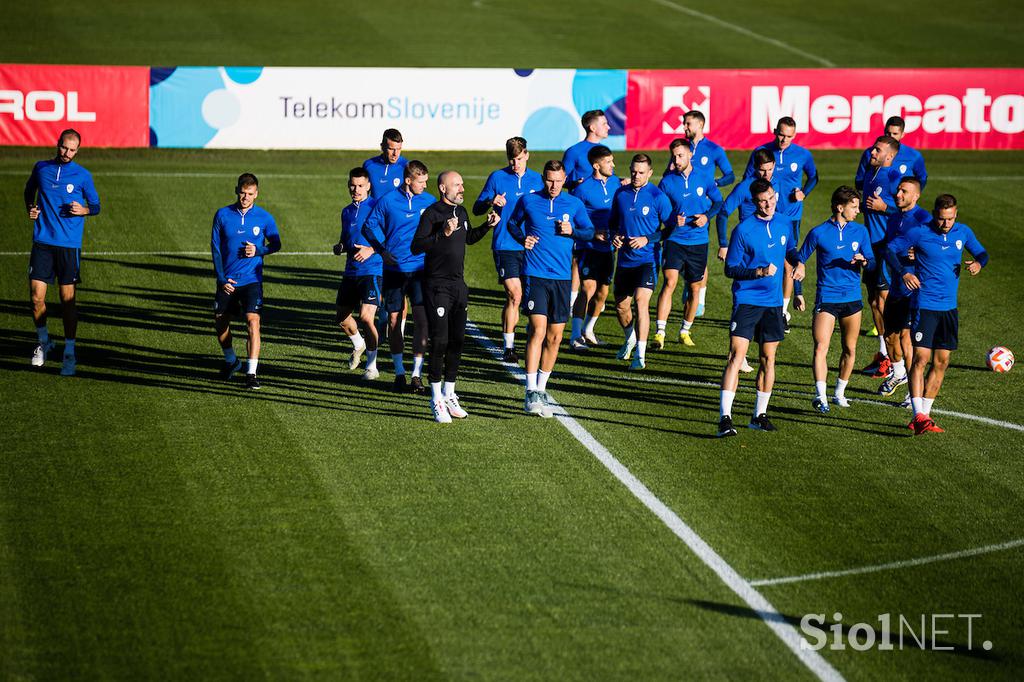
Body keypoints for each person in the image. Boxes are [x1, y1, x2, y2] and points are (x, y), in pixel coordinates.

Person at [886, 194, 988, 435]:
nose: (946, 224)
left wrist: (978, 264)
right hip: (925, 305)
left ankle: (926, 415)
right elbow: (890, 250)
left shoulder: (963, 232)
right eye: (942, 219)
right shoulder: (919, 232)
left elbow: (982, 253)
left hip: (949, 309)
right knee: (921, 359)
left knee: (942, 362)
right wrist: (904, 272)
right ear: (934, 215)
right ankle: (917, 414)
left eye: (950, 219)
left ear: (956, 215)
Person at [507, 160, 594, 417]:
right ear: (543, 178)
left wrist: (573, 230)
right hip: (535, 273)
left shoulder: (574, 204)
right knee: (538, 330)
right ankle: (530, 390)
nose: (553, 185)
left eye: (558, 180)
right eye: (549, 180)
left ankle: (541, 390)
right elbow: (512, 224)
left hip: (562, 278)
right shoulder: (529, 200)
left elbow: (589, 232)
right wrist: (523, 239)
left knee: (555, 337)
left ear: (564, 179)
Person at [412, 171, 500, 422]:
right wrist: (443, 234)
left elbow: (469, 238)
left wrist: (487, 226)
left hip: (458, 286)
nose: (462, 188)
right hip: (436, 286)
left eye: (462, 184)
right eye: (457, 185)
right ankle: (436, 398)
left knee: (457, 341)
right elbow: (416, 246)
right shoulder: (432, 214)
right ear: (443, 188)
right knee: (439, 341)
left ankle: (450, 394)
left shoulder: (460, 213)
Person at [717, 179, 796, 437]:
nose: (769, 204)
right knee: (736, 358)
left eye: (771, 198)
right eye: (763, 201)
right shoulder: (743, 230)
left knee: (768, 359)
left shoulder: (784, 222)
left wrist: (800, 264)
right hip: (748, 301)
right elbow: (730, 268)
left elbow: (791, 250)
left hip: (773, 303)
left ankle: (758, 415)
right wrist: (758, 272)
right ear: (754, 202)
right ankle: (725, 418)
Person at [25, 129, 101, 377]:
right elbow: (29, 191)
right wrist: (31, 207)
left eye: (72, 150)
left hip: (69, 246)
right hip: (43, 242)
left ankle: (70, 352)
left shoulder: (83, 175)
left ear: (77, 151)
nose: (67, 153)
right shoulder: (41, 168)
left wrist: (84, 211)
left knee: (67, 301)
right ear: (57, 145)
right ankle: (44, 341)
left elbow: (97, 206)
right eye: (63, 148)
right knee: (37, 297)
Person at [792, 187, 874, 413]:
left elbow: (873, 262)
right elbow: (799, 261)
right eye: (854, 206)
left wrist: (864, 262)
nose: (858, 211)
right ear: (840, 207)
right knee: (821, 347)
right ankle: (821, 395)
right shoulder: (818, 233)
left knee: (850, 348)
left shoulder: (861, 232)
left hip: (852, 299)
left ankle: (839, 392)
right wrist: (798, 292)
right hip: (826, 297)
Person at [717, 149, 798, 372]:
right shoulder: (745, 187)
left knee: (786, 266)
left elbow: (777, 215)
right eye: (763, 170)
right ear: (755, 168)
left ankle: (785, 308)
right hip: (746, 246)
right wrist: (724, 243)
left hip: (769, 240)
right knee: (742, 297)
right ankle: (736, 352)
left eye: (771, 169)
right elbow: (724, 212)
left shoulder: (775, 185)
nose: (767, 174)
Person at [361, 160, 435, 393]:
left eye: (426, 181)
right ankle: (399, 372)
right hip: (394, 271)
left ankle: (416, 374)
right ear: (408, 180)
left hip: (421, 270)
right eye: (421, 181)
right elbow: (368, 227)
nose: (425, 185)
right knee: (394, 321)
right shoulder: (388, 201)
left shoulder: (429, 201)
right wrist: (382, 251)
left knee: (422, 321)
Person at [473, 137, 545, 362]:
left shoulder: (538, 180)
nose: (516, 164)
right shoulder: (497, 177)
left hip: (532, 245)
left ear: (527, 155)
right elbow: (476, 208)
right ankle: (509, 347)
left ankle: (531, 337)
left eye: (520, 159)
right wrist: (490, 201)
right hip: (505, 244)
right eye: (512, 160)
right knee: (515, 294)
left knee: (529, 298)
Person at [743, 116, 818, 326]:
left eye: (789, 136)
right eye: (781, 134)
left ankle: (782, 313)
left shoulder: (803, 154)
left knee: (788, 265)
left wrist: (804, 192)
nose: (784, 140)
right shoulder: (763, 153)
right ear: (775, 130)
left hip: (790, 217)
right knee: (764, 261)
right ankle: (761, 305)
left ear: (795, 135)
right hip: (765, 217)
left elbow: (814, 177)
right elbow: (747, 181)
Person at [211, 172, 281, 390]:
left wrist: (259, 250)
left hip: (252, 280)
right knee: (220, 322)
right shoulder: (222, 215)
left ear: (256, 194)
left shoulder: (265, 217)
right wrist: (222, 278)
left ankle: (251, 373)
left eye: (250, 194)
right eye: (243, 193)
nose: (245, 197)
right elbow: (215, 249)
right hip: (228, 280)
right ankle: (232, 361)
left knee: (253, 321)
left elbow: (277, 244)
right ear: (236, 191)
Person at [654, 139, 722, 349]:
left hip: (699, 241)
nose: (676, 160)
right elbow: (659, 210)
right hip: (675, 239)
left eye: (680, 156)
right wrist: (673, 219)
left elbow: (718, 202)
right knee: (670, 281)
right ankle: (660, 332)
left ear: (690, 154)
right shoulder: (666, 182)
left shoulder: (704, 178)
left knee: (694, 287)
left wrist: (707, 216)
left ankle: (685, 330)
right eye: (673, 156)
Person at [609, 154, 674, 370]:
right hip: (625, 261)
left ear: (650, 173)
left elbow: (671, 228)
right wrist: (615, 236)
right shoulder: (621, 194)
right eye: (633, 172)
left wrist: (648, 238)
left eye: (641, 173)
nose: (636, 176)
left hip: (647, 260)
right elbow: (613, 224)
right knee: (620, 306)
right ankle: (630, 340)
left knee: (640, 301)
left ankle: (640, 355)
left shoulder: (658, 196)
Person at [877, 177, 932, 403]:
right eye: (898, 190)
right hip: (897, 286)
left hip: (914, 290)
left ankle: (913, 392)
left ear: (916, 196)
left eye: (904, 191)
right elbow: (889, 250)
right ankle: (899, 373)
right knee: (890, 337)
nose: (898, 194)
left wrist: (918, 254)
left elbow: (934, 247)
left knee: (907, 339)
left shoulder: (924, 219)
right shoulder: (893, 219)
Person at [678, 109, 735, 317]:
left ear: (700, 125)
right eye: (684, 123)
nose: (684, 127)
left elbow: (730, 175)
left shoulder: (714, 149)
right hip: (681, 210)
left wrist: (714, 184)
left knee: (698, 254)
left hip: (703, 211)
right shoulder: (680, 149)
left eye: (688, 124)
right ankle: (690, 283)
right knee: (678, 251)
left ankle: (699, 298)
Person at [857, 135, 903, 379]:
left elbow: (909, 209)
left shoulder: (894, 178)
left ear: (890, 156)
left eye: (878, 149)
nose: (872, 151)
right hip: (870, 247)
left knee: (882, 302)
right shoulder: (869, 173)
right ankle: (884, 354)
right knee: (873, 301)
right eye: (874, 147)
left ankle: (896, 363)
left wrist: (886, 208)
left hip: (885, 248)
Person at [332, 167, 382, 380]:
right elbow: (346, 237)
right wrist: (341, 246)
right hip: (351, 271)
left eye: (360, 185)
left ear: (369, 186)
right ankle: (359, 344)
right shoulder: (346, 211)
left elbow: (393, 236)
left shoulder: (378, 207)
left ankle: (372, 366)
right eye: (353, 185)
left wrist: (371, 249)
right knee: (342, 317)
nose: (356, 189)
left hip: (372, 270)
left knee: (365, 317)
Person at [569, 145, 619, 350]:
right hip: (588, 246)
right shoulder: (582, 190)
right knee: (587, 288)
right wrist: (592, 233)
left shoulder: (617, 183)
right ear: (596, 165)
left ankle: (588, 330)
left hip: (608, 247)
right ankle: (574, 336)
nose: (613, 165)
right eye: (609, 162)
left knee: (603, 293)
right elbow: (573, 218)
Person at [855, 115, 928, 190]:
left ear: (902, 134)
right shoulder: (870, 153)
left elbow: (922, 178)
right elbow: (859, 181)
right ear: (884, 132)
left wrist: (910, 196)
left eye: (895, 134)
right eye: (888, 133)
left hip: (900, 201)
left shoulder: (914, 155)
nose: (891, 137)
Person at [562, 110, 611, 188]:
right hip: (580, 199)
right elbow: (560, 180)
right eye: (604, 124)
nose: (608, 127)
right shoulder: (574, 151)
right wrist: (575, 184)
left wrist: (622, 180)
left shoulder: (605, 150)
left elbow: (610, 177)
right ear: (593, 128)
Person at [363, 129, 408, 199]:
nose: (395, 154)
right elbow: (363, 195)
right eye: (391, 149)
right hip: (374, 210)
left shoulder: (406, 166)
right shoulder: (369, 166)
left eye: (399, 149)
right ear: (382, 147)